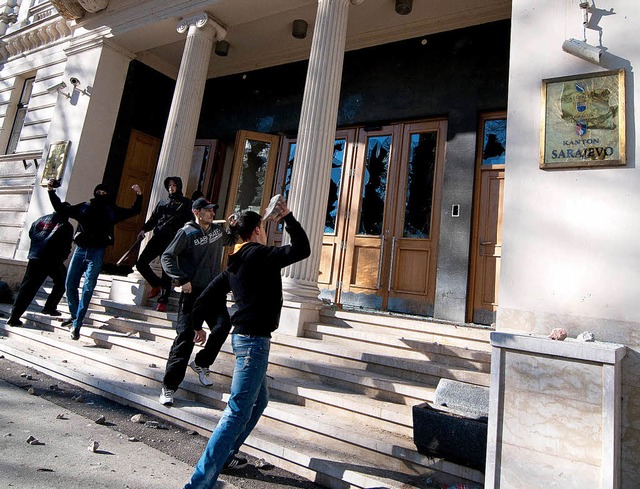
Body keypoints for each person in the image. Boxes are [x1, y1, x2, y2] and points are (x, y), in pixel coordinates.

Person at [183, 198, 310, 487]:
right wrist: (288, 217)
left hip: (244, 340)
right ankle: (198, 483)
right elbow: (303, 249)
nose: (265, 233)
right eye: (263, 229)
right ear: (255, 231)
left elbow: (205, 297)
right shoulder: (260, 255)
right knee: (238, 410)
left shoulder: (235, 262)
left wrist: (195, 325)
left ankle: (226, 454)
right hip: (253, 343)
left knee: (259, 400)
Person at [158, 197, 235, 406]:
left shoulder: (217, 232)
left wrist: (234, 228)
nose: (211, 213)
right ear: (197, 212)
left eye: (212, 210)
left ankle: (201, 363)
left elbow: (230, 240)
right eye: (207, 210)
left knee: (223, 326)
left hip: (213, 292)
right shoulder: (186, 233)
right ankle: (169, 387)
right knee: (185, 337)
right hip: (192, 294)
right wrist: (182, 279)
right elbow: (167, 257)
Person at [48, 180, 142, 340]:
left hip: (97, 252)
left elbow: (134, 211)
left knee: (88, 288)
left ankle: (77, 325)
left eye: (104, 193)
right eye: (98, 192)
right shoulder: (84, 207)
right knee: (70, 283)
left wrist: (139, 195)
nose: (101, 195)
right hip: (80, 250)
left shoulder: (111, 211)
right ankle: (75, 315)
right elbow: (62, 208)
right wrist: (51, 191)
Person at [7, 206, 74, 326]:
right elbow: (66, 244)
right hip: (52, 259)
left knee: (27, 288)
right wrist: (63, 256)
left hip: (35, 257)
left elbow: (31, 233)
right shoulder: (66, 225)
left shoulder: (40, 220)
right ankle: (49, 307)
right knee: (62, 282)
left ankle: (15, 316)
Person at [136, 176, 192, 312]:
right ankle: (156, 284)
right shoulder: (162, 202)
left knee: (166, 270)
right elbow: (154, 218)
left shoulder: (185, 203)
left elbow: (189, 222)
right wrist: (144, 229)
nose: (171, 188)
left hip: (172, 240)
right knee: (141, 263)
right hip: (158, 237)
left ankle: (163, 300)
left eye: (174, 185)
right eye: (169, 185)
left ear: (178, 186)